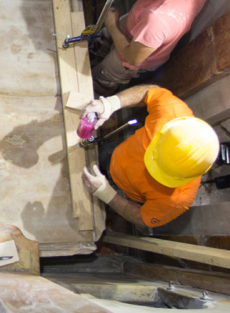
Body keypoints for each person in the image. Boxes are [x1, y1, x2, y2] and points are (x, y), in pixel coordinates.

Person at [79, 84, 218, 228]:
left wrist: (106, 194)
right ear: (163, 133)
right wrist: (110, 104)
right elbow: (149, 92)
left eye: (161, 172)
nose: (148, 168)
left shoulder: (177, 199)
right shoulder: (171, 114)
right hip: (115, 153)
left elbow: (143, 218)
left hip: (119, 191)